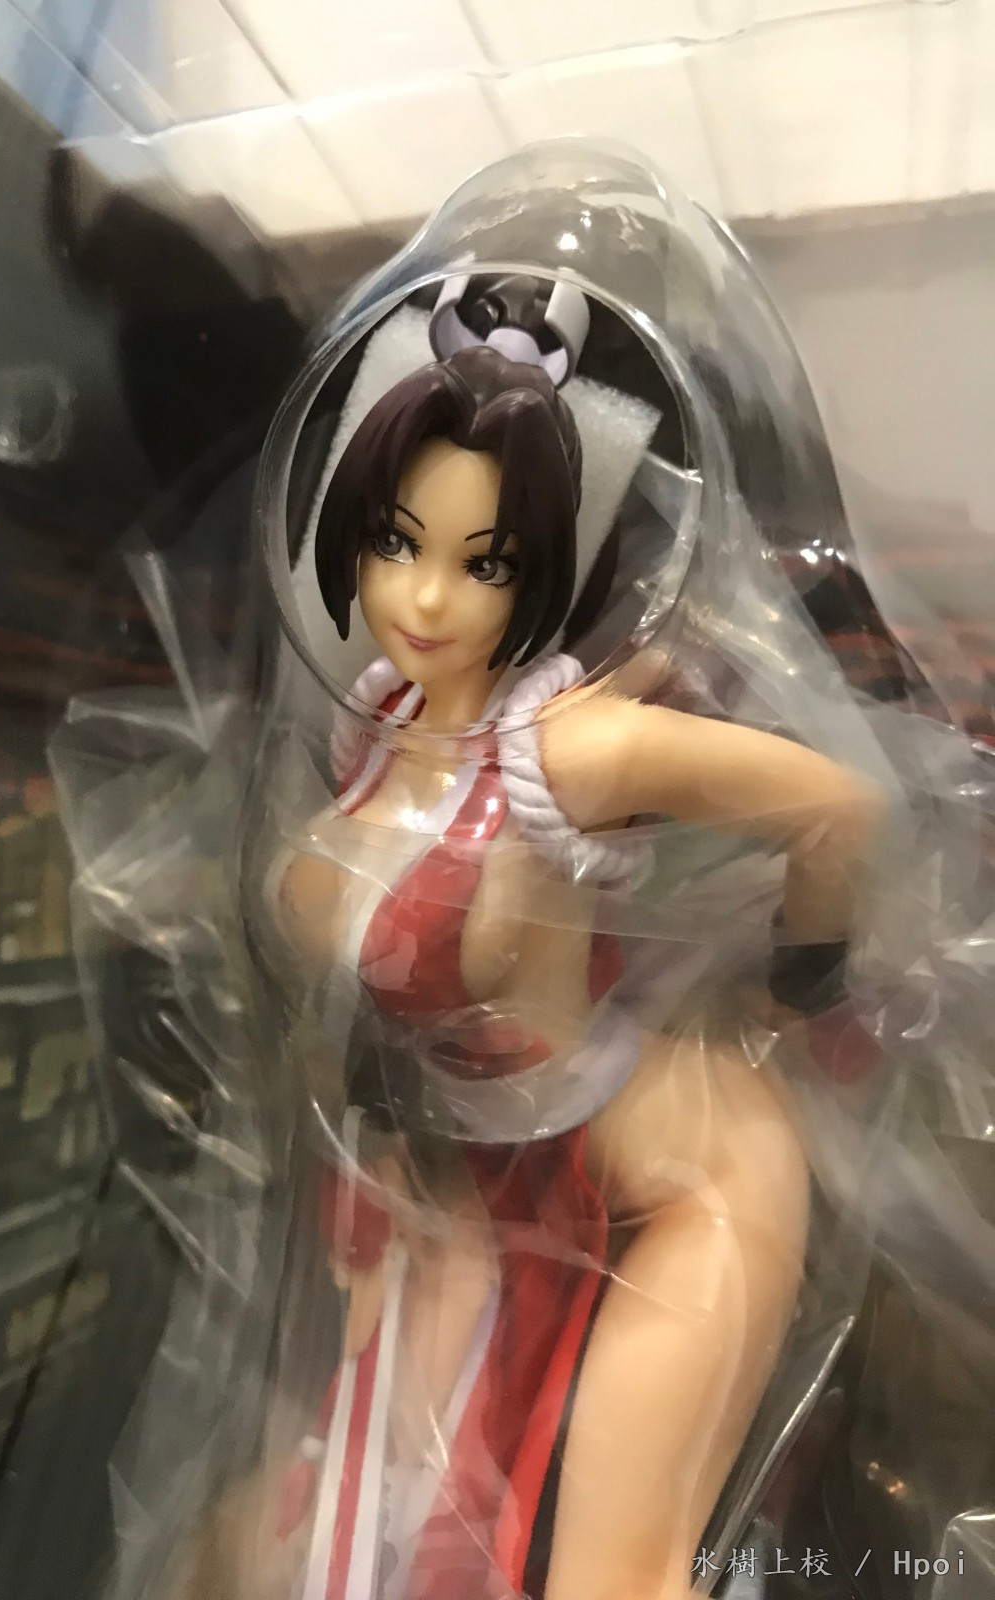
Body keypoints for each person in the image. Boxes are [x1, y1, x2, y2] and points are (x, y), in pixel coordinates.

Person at [255, 318, 883, 1600]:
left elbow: (840, 809)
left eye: (483, 563)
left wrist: (799, 986)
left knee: (612, 1574)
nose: (426, 599)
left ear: (546, 570)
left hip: (678, 1176)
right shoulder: (378, 723)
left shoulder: (569, 750)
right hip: (472, 1184)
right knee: (360, 1540)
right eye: (396, 543)